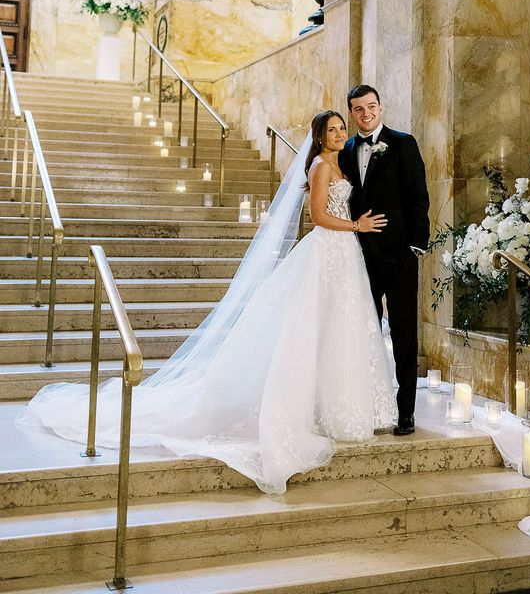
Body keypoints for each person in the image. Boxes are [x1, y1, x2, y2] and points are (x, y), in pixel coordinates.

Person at [18, 111, 396, 495]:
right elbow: (317, 216)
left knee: (338, 330)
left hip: (343, 255)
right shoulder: (319, 166)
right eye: (331, 130)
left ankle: (334, 407)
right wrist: (356, 225)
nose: (339, 134)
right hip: (326, 250)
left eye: (341, 128)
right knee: (313, 328)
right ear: (319, 137)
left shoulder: (340, 163)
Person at [340, 85, 430, 436]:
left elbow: (418, 196)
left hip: (399, 255)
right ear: (351, 113)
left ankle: (406, 411)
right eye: (359, 109)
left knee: (404, 333)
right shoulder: (347, 148)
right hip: (360, 256)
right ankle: (370, 406)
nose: (366, 114)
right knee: (365, 331)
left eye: (371, 106)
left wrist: (416, 245)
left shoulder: (403, 143)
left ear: (381, 107)